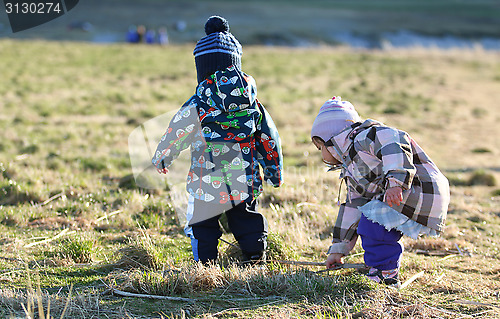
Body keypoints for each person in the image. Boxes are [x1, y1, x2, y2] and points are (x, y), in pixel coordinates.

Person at [152, 16, 283, 264]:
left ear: (201, 68)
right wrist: (274, 171)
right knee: (245, 217)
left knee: (203, 221)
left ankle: (206, 264)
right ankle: (254, 257)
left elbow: (178, 129)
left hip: (206, 179)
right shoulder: (252, 102)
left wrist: (163, 156)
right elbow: (269, 139)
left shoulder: (198, 102)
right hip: (244, 178)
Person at [311, 96, 450, 286]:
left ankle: (385, 273)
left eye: (320, 148)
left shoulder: (364, 138)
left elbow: (394, 141)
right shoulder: (351, 167)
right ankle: (381, 269)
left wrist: (395, 182)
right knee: (369, 223)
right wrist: (338, 249)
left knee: (373, 226)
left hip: (419, 187)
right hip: (404, 192)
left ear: (330, 141)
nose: (322, 155)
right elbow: (354, 205)